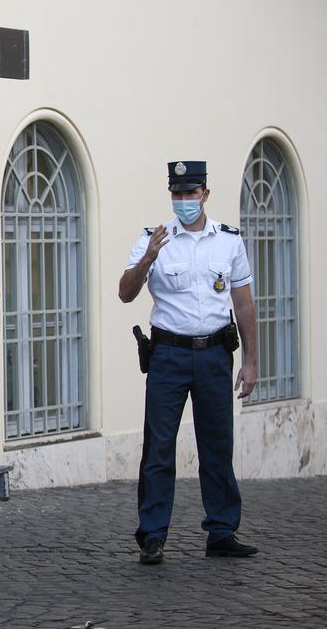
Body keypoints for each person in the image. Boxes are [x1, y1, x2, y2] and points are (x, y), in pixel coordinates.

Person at [119, 160, 258, 565]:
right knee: (159, 446)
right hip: (168, 355)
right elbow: (126, 293)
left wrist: (251, 361)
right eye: (177, 195)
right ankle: (153, 535)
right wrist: (147, 259)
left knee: (217, 444)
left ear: (205, 195)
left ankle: (221, 531)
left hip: (215, 353)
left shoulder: (228, 242)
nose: (184, 201)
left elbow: (244, 304)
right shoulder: (152, 239)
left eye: (190, 194)